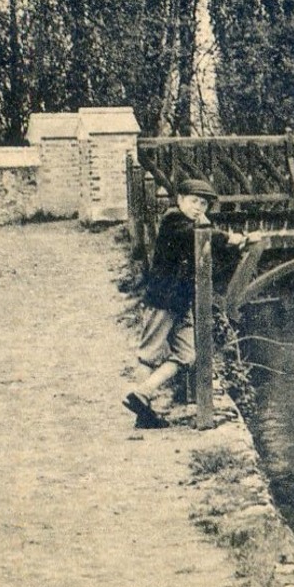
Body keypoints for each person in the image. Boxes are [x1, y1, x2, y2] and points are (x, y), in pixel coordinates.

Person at [124, 178, 251, 430]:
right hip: (162, 301)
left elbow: (209, 254)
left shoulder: (194, 226)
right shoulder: (174, 221)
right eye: (193, 201)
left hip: (180, 303)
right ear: (180, 199)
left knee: (187, 355)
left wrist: (238, 245)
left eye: (203, 204)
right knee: (149, 355)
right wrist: (229, 237)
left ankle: (143, 393)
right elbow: (196, 236)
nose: (198, 208)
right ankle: (143, 412)